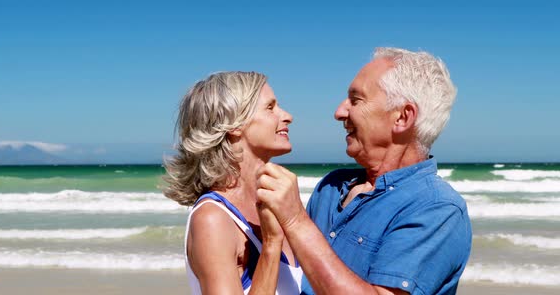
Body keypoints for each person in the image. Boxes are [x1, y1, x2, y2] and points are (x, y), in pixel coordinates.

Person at [257, 48, 472, 295]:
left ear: (402, 117)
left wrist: (296, 221)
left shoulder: (438, 208)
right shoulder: (331, 186)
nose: (339, 112)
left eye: (356, 100)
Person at [163, 71, 303, 294]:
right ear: (235, 124)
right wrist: (271, 244)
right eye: (270, 107)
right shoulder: (213, 220)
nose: (287, 116)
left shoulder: (278, 201)